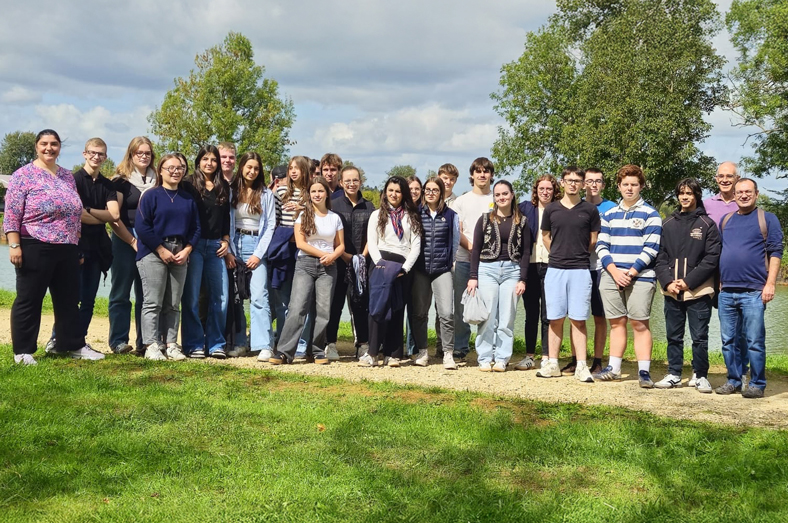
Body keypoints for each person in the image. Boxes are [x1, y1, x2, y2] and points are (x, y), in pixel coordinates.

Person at [4, 129, 105, 364]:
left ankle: (71, 345)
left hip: (67, 247)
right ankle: (23, 351)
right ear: (36, 146)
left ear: (60, 148)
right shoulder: (23, 176)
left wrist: (77, 246)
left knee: (69, 300)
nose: (49, 148)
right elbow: (11, 214)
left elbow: (74, 213)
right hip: (34, 244)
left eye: (54, 144)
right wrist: (14, 245)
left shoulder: (67, 176)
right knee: (29, 299)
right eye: (44, 144)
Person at [46, 138, 119, 348]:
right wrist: (95, 215)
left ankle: (79, 341)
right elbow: (73, 214)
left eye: (101, 154)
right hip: (74, 246)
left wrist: (86, 211)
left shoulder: (108, 184)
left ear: (105, 157)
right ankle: (56, 338)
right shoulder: (72, 180)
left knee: (89, 299)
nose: (96, 157)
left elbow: (114, 214)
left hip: (98, 248)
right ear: (84, 154)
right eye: (93, 153)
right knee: (70, 298)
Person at [594, 164, 662, 388]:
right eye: (625, 185)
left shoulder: (651, 214)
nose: (630, 188)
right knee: (616, 323)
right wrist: (614, 271)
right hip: (611, 275)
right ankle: (614, 367)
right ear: (618, 186)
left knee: (639, 323)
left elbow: (651, 248)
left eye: (634, 184)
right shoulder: (609, 214)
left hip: (640, 276)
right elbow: (602, 246)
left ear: (641, 186)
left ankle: (644, 372)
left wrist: (631, 273)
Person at [715, 178, 783, 398]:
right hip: (726, 292)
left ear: (756, 194)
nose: (743, 195)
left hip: (754, 291)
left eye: (748, 192)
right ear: (733, 195)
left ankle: (757, 383)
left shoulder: (767, 219)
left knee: (754, 341)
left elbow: (775, 253)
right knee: (728, 341)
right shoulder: (726, 220)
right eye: (739, 192)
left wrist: (770, 283)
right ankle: (734, 380)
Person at [654, 178, 721, 393]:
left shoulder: (707, 225)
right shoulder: (667, 224)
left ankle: (700, 375)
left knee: (699, 337)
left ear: (696, 196)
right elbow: (660, 256)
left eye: (689, 193)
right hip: (672, 291)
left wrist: (689, 281)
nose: (685, 197)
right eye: (681, 193)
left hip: (698, 291)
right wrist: (667, 281)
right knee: (673, 336)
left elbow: (712, 258)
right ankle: (674, 373)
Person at [269, 177, 345, 364]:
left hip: (329, 267)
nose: (317, 194)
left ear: (327, 193)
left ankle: (317, 350)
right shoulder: (303, 216)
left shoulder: (334, 218)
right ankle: (285, 352)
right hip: (305, 264)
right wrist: (323, 254)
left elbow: (340, 245)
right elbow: (301, 243)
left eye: (320, 191)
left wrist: (332, 256)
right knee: (297, 308)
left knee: (323, 310)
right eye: (313, 192)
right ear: (309, 195)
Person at [534, 168, 600, 382]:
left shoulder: (590, 210)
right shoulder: (552, 210)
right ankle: (552, 363)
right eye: (569, 180)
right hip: (555, 269)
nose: (573, 184)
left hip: (580, 270)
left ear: (583, 184)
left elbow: (593, 239)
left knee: (579, 319)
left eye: (577, 181)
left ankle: (581, 365)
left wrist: (577, 253)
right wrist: (558, 253)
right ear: (562, 183)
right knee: (554, 318)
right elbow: (545, 236)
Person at [135, 154, 200, 361]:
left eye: (179, 168)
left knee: (173, 303)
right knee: (153, 301)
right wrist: (161, 249)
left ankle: (171, 344)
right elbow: (142, 226)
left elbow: (196, 228)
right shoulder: (150, 195)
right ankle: (152, 345)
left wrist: (187, 249)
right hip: (153, 252)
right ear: (161, 170)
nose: (175, 171)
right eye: (170, 168)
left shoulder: (188, 198)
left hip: (180, 251)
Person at [467, 180, 530, 372]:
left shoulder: (523, 221)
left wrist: (523, 279)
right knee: (488, 317)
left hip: (512, 271)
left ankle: (502, 358)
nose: (501, 197)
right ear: (494, 198)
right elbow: (476, 249)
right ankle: (485, 357)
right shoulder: (485, 219)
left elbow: (526, 252)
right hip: (487, 270)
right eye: (497, 195)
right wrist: (473, 276)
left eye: (505, 194)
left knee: (507, 318)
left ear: (512, 195)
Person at [362, 176, 422, 367]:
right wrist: (380, 263)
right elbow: (372, 242)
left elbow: (416, 246)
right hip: (380, 265)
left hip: (402, 267)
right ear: (385, 192)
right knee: (377, 308)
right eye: (390, 190)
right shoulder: (376, 215)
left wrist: (405, 268)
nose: (394, 194)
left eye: (397, 191)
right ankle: (372, 353)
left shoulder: (411, 216)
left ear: (403, 193)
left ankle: (393, 353)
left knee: (397, 308)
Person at [181, 145, 232, 359]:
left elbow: (226, 217)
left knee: (220, 297)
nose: (209, 163)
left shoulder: (223, 186)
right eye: (205, 159)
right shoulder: (188, 184)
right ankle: (193, 344)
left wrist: (226, 240)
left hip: (215, 247)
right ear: (198, 161)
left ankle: (216, 344)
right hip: (194, 245)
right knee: (192, 297)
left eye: (213, 160)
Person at [108, 136, 156, 355]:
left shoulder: (159, 179)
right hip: (125, 237)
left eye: (147, 153)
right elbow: (114, 218)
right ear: (131, 155)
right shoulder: (120, 181)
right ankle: (118, 341)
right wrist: (132, 240)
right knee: (121, 291)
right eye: (139, 153)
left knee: (147, 294)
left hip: (151, 239)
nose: (144, 156)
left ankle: (144, 342)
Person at [227, 152, 277, 360]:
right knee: (237, 297)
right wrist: (230, 251)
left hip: (257, 245)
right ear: (241, 167)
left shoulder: (266, 194)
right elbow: (227, 222)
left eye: (256, 168)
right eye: (249, 167)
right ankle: (239, 343)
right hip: (235, 244)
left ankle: (263, 344)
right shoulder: (232, 191)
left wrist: (258, 254)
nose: (252, 171)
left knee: (259, 296)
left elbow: (271, 225)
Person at [326, 165, 376, 360]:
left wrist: (361, 257)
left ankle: (362, 344)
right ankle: (330, 343)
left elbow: (372, 236)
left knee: (360, 304)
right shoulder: (334, 204)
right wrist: (345, 256)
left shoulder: (369, 207)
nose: (351, 183)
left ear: (360, 182)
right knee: (335, 304)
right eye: (347, 180)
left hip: (362, 264)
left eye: (355, 180)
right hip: (338, 262)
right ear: (341, 183)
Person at [410, 177, 460, 369]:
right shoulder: (416, 213)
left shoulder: (451, 215)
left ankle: (448, 353)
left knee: (447, 312)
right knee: (420, 313)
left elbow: (455, 241)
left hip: (442, 269)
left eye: (435, 190)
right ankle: (423, 352)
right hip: (420, 269)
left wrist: (449, 261)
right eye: (427, 190)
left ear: (441, 193)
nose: (430, 193)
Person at [514, 175, 560, 370]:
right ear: (536, 190)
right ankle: (530, 355)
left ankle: (547, 355)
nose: (545, 192)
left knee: (548, 314)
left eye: (549, 188)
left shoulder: (559, 210)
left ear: (554, 190)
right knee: (531, 313)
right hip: (531, 265)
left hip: (552, 265)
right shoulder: (525, 208)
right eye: (541, 188)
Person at [451, 158, 495, 360]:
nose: (482, 175)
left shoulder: (497, 198)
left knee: (489, 305)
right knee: (462, 305)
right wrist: (472, 248)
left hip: (491, 262)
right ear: (472, 175)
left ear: (491, 175)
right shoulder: (461, 201)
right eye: (478, 171)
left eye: (486, 171)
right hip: (464, 260)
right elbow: (457, 231)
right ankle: (460, 346)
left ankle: (487, 348)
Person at [270, 156, 311, 350]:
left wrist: (303, 207)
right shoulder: (280, 191)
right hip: (284, 247)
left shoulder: (311, 192)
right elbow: (275, 221)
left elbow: (321, 214)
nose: (293, 171)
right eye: (291, 168)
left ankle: (301, 345)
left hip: (304, 248)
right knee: (282, 299)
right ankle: (283, 342)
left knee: (303, 300)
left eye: (297, 168)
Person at [579, 168, 616, 375]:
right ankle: (577, 359)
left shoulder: (611, 208)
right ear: (584, 183)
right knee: (577, 316)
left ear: (603, 184)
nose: (593, 184)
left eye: (598, 181)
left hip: (602, 268)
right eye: (590, 181)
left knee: (600, 316)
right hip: (579, 266)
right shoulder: (576, 205)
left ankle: (598, 360)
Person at [703, 162, 739, 226]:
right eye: (721, 176)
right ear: (717, 179)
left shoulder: (743, 203)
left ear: (737, 179)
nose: (724, 180)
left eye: (729, 176)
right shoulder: (706, 204)